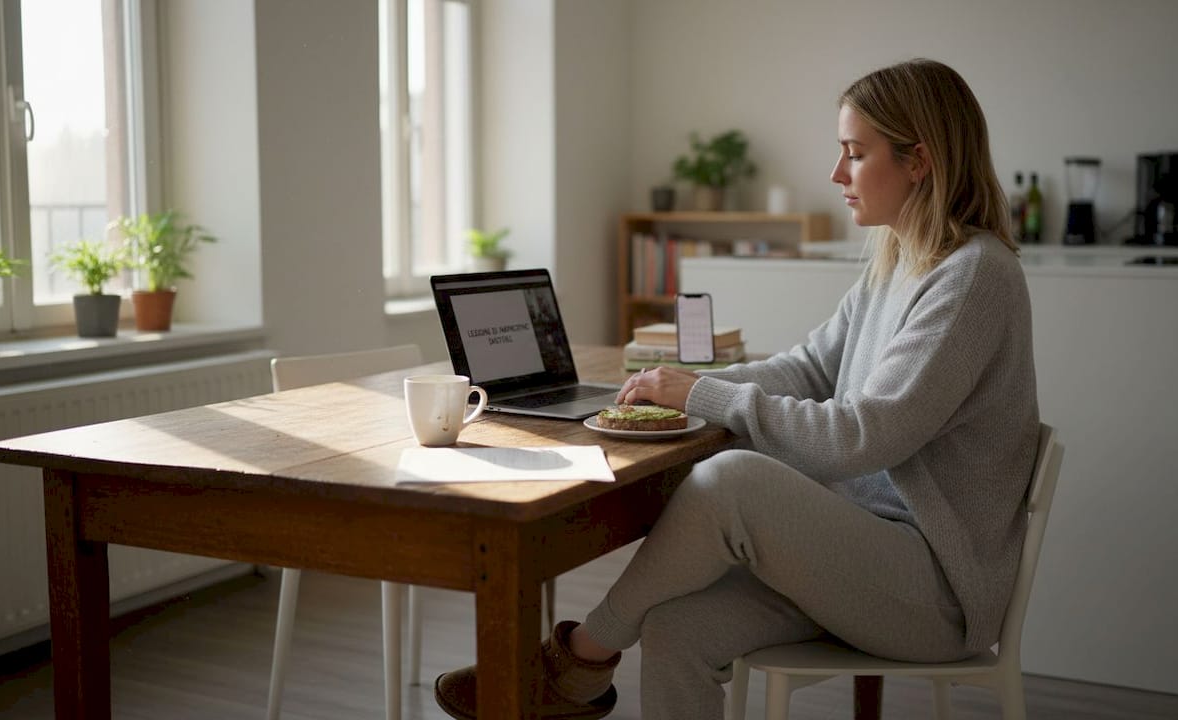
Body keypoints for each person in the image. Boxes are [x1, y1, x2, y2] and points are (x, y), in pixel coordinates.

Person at [435, 57, 1039, 720]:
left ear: (918, 160)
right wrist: (688, 384)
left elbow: (863, 437)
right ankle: (579, 665)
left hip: (934, 593)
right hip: (859, 556)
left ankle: (578, 659)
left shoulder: (973, 276)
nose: (837, 174)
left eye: (855, 154)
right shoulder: (896, 261)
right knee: (674, 630)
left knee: (732, 480)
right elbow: (809, 367)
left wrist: (698, 397)